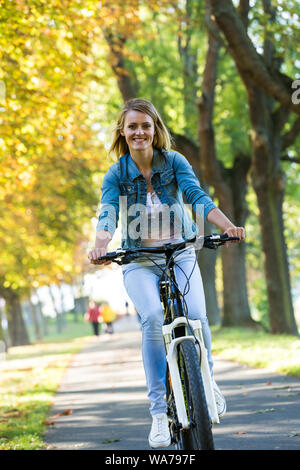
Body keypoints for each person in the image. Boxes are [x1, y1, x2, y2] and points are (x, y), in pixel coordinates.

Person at [88, 98, 245, 448]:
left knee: (199, 317)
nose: (139, 131)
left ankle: (209, 383)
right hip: (139, 259)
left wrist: (229, 225)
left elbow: (196, 196)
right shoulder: (116, 173)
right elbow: (108, 213)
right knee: (152, 319)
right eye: (132, 126)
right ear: (123, 132)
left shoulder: (174, 161)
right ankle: (159, 412)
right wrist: (100, 245)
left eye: (146, 125)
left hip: (180, 251)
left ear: (155, 129)